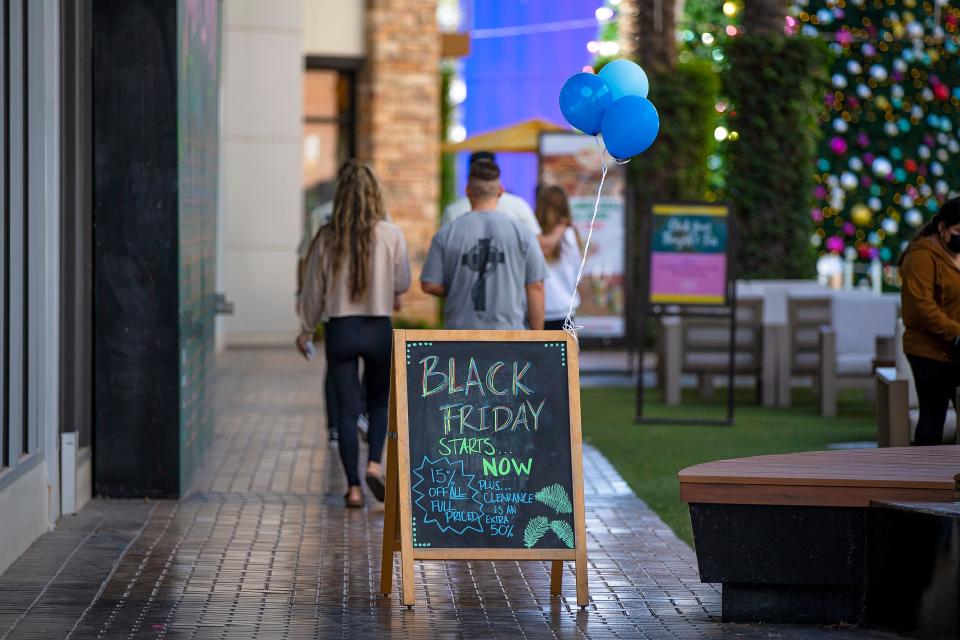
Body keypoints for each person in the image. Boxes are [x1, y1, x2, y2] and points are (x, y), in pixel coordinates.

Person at [297, 160, 411, 506]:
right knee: (378, 403)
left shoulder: (327, 237)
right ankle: (374, 464)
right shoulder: (391, 234)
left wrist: (305, 330)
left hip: (341, 330)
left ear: (342, 196)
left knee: (346, 411)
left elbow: (312, 290)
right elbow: (403, 282)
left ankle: (354, 488)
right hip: (378, 326)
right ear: (375, 194)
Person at [421, 158, 547, 330]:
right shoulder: (523, 234)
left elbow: (429, 284)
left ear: (467, 191)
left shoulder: (446, 234)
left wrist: (460, 286)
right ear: (501, 191)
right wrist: (537, 338)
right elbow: (536, 286)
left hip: (460, 335)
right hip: (510, 334)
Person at [899, 196, 960, 445]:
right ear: (942, 228)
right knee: (933, 417)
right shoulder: (922, 256)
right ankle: (923, 478)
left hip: (953, 347)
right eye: (958, 231)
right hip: (929, 350)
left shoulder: (954, 254)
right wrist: (957, 332)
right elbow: (922, 308)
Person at [441, 151, 541, 235]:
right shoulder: (518, 206)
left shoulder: (453, 211)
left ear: (467, 190)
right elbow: (539, 244)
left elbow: (441, 251)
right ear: (500, 190)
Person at [535, 185, 582, 331]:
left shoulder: (532, 235)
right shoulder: (570, 235)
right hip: (564, 311)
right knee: (565, 354)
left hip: (535, 312)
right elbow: (577, 274)